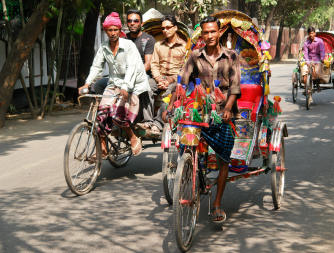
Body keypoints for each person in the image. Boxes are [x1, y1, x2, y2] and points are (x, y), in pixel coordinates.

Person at [163, 16, 241, 223]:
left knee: (224, 158)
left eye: (213, 32)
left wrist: (227, 108)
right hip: (199, 110)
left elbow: (235, 87)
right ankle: (190, 172)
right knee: (186, 143)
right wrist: (171, 106)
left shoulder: (231, 56)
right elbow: (182, 82)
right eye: (205, 33)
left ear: (219, 32)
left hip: (224, 111)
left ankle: (216, 204)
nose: (209, 36)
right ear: (202, 35)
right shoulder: (195, 56)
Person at [78, 12, 150, 156]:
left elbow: (132, 68)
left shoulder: (128, 45)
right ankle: (103, 146)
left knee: (118, 114)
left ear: (119, 30)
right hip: (115, 83)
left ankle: (132, 136)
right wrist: (87, 84)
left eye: (115, 30)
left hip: (134, 83)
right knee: (101, 114)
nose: (112, 33)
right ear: (105, 31)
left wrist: (125, 87)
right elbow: (97, 67)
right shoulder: (104, 47)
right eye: (109, 30)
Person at [150, 15, 187, 134]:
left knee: (170, 93)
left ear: (175, 28)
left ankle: (158, 123)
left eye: (168, 27)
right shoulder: (158, 45)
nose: (165, 30)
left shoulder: (184, 46)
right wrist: (159, 79)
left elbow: (184, 69)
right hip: (158, 78)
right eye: (163, 28)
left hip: (176, 79)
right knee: (144, 88)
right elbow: (154, 64)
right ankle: (147, 121)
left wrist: (170, 80)